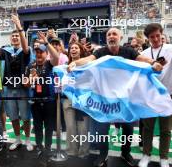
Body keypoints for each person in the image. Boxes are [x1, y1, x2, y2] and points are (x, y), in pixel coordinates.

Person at [68, 27, 163, 167]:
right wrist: (75, 63)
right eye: (109, 34)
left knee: (128, 127)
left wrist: (153, 63)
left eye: (114, 34)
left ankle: (125, 153)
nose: (111, 36)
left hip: (125, 98)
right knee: (102, 127)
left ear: (120, 37)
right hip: (105, 98)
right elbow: (88, 59)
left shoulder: (128, 51)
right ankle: (103, 154)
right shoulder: (101, 52)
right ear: (106, 38)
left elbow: (141, 58)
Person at [0, 15, 33, 151]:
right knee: (13, 116)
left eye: (17, 36)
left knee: (25, 117)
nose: (15, 37)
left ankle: (27, 140)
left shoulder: (25, 51)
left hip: (23, 89)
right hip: (9, 89)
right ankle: (17, 139)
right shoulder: (6, 51)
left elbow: (25, 47)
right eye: (13, 36)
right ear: (10, 38)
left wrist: (19, 27)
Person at [139, 23, 172, 167]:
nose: (156, 39)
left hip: (168, 94)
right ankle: (146, 154)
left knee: (166, 129)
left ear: (162, 34)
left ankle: (163, 157)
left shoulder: (170, 49)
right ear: (148, 38)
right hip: (150, 96)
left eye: (158, 35)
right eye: (152, 37)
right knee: (148, 128)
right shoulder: (144, 54)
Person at [24, 31, 59, 155]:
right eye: (37, 52)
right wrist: (31, 79)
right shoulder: (30, 66)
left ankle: (48, 148)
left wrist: (46, 42)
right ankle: (39, 146)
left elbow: (57, 57)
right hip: (35, 101)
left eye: (41, 52)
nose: (39, 54)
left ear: (46, 53)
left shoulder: (50, 64)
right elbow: (25, 83)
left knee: (49, 127)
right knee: (38, 126)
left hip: (49, 101)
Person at [63, 42, 90, 158]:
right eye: (71, 48)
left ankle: (84, 151)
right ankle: (71, 150)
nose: (73, 50)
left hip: (83, 100)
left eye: (76, 48)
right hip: (68, 100)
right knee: (70, 127)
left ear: (81, 51)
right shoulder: (64, 66)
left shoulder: (87, 64)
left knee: (83, 128)